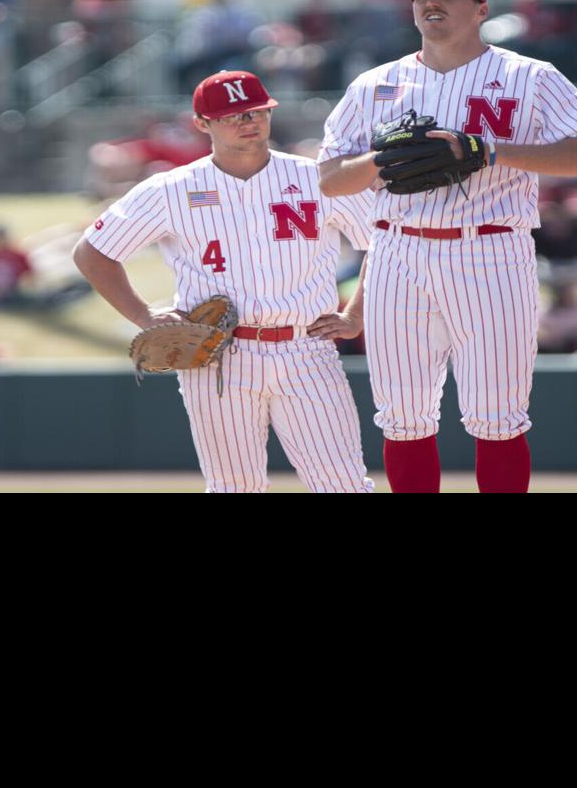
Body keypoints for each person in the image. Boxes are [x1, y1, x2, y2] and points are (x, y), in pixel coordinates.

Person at [317, 0, 577, 493]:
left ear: (481, 7)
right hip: (397, 248)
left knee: (497, 414)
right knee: (402, 415)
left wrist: (492, 151)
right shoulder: (375, 83)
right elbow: (329, 178)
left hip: (491, 247)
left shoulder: (529, 76)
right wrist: (385, 157)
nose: (432, 2)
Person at [73, 70, 378, 493]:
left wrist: (355, 314)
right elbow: (92, 253)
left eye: (255, 110)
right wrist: (144, 315)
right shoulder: (171, 188)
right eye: (231, 114)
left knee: (342, 482)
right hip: (217, 353)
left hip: (306, 348)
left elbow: (384, 239)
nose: (247, 120)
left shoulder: (317, 177)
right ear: (202, 124)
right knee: (233, 487)